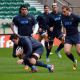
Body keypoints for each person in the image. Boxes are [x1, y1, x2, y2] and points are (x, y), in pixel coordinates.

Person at [10, 4, 39, 69]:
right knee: (20, 53)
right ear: (20, 10)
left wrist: (34, 33)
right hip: (21, 38)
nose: (24, 10)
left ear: (27, 10)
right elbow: (15, 26)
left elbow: (36, 25)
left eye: (25, 9)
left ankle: (30, 63)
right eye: (23, 9)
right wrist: (16, 33)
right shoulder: (16, 18)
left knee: (29, 51)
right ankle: (26, 64)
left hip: (29, 37)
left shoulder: (31, 17)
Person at [62, 5, 80, 70]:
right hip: (68, 37)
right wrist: (64, 35)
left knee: (79, 52)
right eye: (62, 12)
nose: (63, 13)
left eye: (64, 12)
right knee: (66, 52)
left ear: (68, 10)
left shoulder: (75, 17)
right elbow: (64, 26)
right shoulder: (63, 18)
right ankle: (74, 61)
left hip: (76, 36)